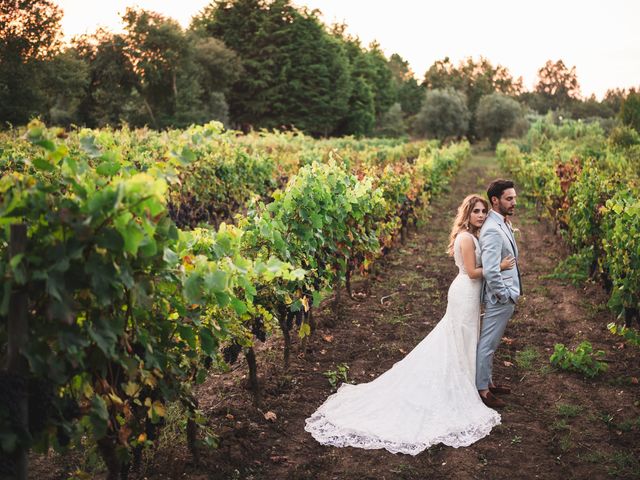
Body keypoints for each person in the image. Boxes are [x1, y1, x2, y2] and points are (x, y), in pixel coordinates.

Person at [304, 194, 515, 455]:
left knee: (463, 337)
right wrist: (500, 265)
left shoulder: (471, 235)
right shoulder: (465, 237)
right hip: (465, 290)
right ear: (467, 214)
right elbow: (472, 272)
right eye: (476, 211)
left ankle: (466, 377)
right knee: (458, 336)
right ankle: (458, 382)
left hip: (468, 294)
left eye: (484, 211)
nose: (481, 215)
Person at [476, 179, 522, 409]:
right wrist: (504, 296)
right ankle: (482, 390)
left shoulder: (502, 222)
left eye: (514, 197)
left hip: (505, 295)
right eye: (509, 198)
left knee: (491, 343)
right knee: (488, 343)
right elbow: (491, 270)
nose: (514, 202)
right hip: (500, 298)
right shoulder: (493, 230)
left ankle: (488, 382)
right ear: (495, 200)